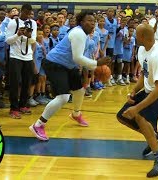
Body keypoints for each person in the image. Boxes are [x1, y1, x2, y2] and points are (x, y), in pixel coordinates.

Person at [29, 11, 111, 141]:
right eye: (89, 20)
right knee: (63, 97)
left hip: (68, 65)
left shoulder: (86, 35)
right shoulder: (78, 33)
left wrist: (95, 64)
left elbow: (80, 56)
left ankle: (76, 114)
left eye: (93, 20)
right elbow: (77, 58)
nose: (92, 23)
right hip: (55, 64)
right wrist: (96, 63)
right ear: (81, 22)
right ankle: (38, 125)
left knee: (79, 91)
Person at [116, 24, 158, 178]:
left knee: (141, 117)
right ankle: (155, 137)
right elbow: (145, 74)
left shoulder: (157, 55)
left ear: (143, 37)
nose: (134, 37)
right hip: (150, 89)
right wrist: (134, 91)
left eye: (136, 34)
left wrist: (137, 108)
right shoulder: (142, 49)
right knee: (122, 115)